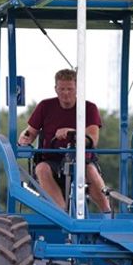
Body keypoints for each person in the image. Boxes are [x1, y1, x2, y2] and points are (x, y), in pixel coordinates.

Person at [18, 69, 111, 212]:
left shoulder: (89, 108)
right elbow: (30, 132)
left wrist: (72, 133)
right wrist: (24, 139)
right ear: (55, 89)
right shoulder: (45, 106)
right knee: (41, 168)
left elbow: (92, 138)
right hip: (52, 161)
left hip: (81, 159)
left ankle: (107, 212)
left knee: (91, 170)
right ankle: (62, 213)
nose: (65, 93)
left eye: (69, 89)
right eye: (61, 89)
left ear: (77, 88)